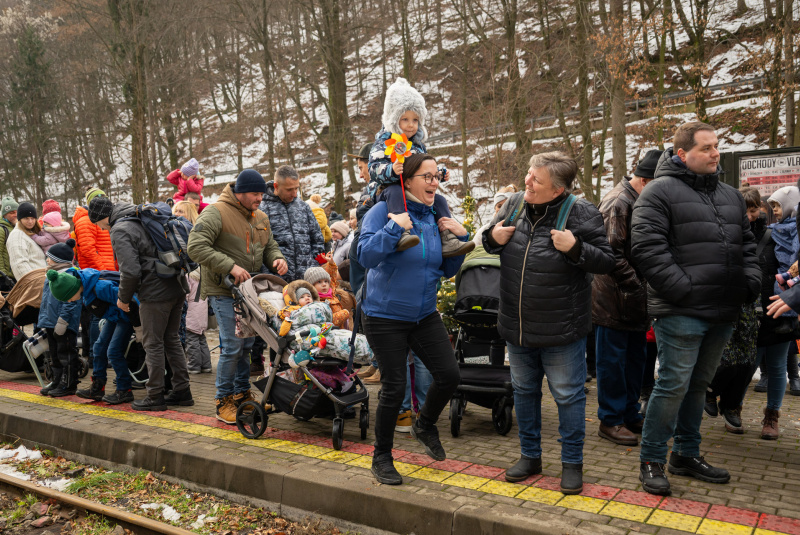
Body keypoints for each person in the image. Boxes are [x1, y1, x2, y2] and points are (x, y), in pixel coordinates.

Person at [631, 122, 761, 496]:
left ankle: (686, 454)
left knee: (698, 386)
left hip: (723, 309)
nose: (715, 153)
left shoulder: (731, 196)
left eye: (717, 146)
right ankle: (652, 459)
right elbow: (647, 250)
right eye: (706, 148)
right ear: (682, 154)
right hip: (681, 310)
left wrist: (749, 283)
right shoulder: (658, 192)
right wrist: (683, 291)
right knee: (672, 385)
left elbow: (747, 248)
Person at [484, 152, 615, 495]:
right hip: (518, 327)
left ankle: (572, 464)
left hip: (562, 330)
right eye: (529, 174)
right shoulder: (513, 203)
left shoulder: (581, 212)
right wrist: (492, 239)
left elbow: (606, 261)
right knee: (525, 393)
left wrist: (575, 248)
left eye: (536, 180)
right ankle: (530, 456)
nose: (527, 181)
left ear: (557, 190)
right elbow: (487, 239)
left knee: (568, 398)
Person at [359, 153, 468, 485]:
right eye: (427, 176)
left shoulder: (436, 217)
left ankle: (425, 424)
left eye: (437, 177)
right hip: (383, 316)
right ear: (407, 180)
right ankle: (381, 458)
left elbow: (444, 269)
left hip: (423, 314)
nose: (434, 183)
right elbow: (365, 255)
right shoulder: (382, 211)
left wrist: (460, 240)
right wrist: (394, 228)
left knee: (449, 375)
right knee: (394, 387)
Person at [187, 169, 288, 424]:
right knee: (232, 346)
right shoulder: (216, 212)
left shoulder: (260, 216)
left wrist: (277, 258)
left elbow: (269, 245)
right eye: (255, 194)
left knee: (246, 346)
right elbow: (195, 247)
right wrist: (229, 266)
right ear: (240, 192)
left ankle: (242, 393)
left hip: (248, 292)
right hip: (224, 290)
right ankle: (223, 401)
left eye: (261, 194)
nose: (260, 199)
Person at [88, 195, 193, 411]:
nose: (101, 229)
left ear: (102, 218)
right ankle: (182, 390)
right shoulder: (139, 217)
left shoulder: (120, 229)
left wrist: (123, 299)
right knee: (171, 339)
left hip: (155, 292)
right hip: (176, 284)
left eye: (98, 224)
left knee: (152, 343)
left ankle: (155, 395)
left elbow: (131, 271)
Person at [592, 150, 661, 447]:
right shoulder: (619, 202)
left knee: (635, 359)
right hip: (614, 300)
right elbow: (609, 253)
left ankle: (629, 413)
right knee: (613, 363)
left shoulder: (637, 199)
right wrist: (636, 285)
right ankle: (610, 420)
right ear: (645, 181)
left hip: (633, 299)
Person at [367, 78, 473, 258]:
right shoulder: (383, 144)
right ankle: (402, 232)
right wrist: (391, 170)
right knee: (395, 191)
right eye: (405, 119)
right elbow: (373, 168)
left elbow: (425, 167)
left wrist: (438, 173)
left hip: (413, 189)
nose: (411, 124)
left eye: (415, 120)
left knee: (439, 200)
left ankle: (447, 236)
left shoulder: (418, 146)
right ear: (394, 120)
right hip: (386, 188)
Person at [704, 186, 764, 434]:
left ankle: (731, 406)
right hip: (725, 299)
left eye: (753, 211)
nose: (750, 216)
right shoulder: (724, 228)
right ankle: (711, 392)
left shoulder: (764, 232)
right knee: (726, 358)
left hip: (750, 300)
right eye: (746, 211)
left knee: (747, 361)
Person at [49, 266, 138, 404]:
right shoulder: (84, 287)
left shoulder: (100, 287)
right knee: (98, 347)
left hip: (127, 318)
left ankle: (124, 390)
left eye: (68, 298)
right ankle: (98, 386)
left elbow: (131, 300)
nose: (69, 301)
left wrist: (139, 327)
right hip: (115, 316)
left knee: (113, 351)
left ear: (72, 289)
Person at [752, 186, 800, 440]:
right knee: (750, 360)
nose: (775, 212)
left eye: (778, 206)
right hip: (763, 305)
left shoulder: (796, 238)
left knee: (778, 364)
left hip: (785, 306)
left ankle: (772, 415)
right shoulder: (770, 233)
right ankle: (734, 406)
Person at [72, 187, 116, 370]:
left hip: (107, 272)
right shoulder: (85, 220)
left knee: (103, 315)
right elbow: (88, 251)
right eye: (96, 197)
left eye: (102, 196)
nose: (100, 199)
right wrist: (104, 271)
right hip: (97, 274)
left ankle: (103, 354)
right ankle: (94, 355)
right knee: (96, 315)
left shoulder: (105, 218)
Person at [258, 165, 324, 282]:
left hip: (307, 282)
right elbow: (259, 247)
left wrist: (313, 266)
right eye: (289, 190)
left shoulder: (303, 207)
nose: (294, 194)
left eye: (296, 188)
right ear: (276, 186)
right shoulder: (262, 209)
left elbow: (317, 239)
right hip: (276, 283)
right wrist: (269, 275)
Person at [37, 241, 81, 397]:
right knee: (55, 354)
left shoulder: (67, 275)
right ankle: (57, 381)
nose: (47, 260)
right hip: (51, 322)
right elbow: (47, 300)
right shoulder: (52, 273)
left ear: (59, 260)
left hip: (64, 323)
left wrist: (63, 321)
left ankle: (68, 384)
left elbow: (70, 303)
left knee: (66, 353)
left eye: (50, 257)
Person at [6, 202, 47, 281]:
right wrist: (32, 285)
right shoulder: (17, 235)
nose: (30, 221)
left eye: (32, 218)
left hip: (41, 282)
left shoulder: (30, 233)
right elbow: (19, 265)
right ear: (20, 219)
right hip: (34, 285)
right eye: (26, 218)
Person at [0, 197, 19, 280]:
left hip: (17, 275)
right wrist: (3, 275)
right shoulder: (2, 229)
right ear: (4, 214)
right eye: (12, 212)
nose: (15, 214)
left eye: (17, 212)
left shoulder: (18, 227)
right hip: (6, 277)